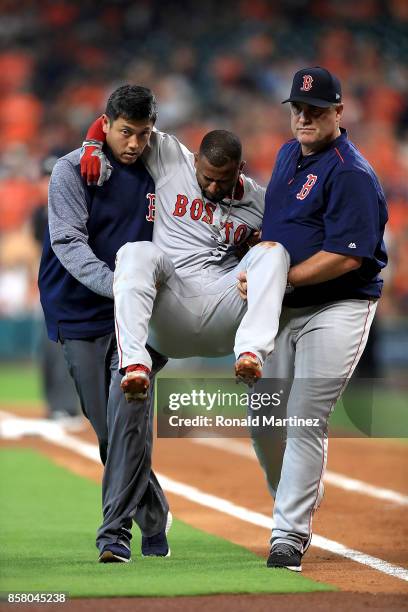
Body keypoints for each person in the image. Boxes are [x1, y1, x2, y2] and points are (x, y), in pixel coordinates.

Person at [238, 67, 388, 571]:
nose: (304, 116)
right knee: (263, 420)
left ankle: (288, 533)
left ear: (338, 112)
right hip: (284, 308)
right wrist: (255, 271)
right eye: (298, 108)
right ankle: (294, 496)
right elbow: (277, 229)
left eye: (316, 109)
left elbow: (348, 256)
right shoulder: (286, 154)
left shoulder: (349, 172)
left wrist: (282, 280)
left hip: (339, 306)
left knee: (304, 416)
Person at [38, 85, 171, 563]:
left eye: (144, 134)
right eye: (125, 132)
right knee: (109, 428)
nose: (135, 144)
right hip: (77, 309)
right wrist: (122, 286)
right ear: (107, 124)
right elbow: (68, 244)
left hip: (133, 319)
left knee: (129, 414)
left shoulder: (160, 166)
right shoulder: (72, 170)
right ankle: (155, 517)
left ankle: (114, 535)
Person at [80, 121, 290, 398]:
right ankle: (134, 364)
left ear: (240, 168)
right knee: (136, 251)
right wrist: (92, 145)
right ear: (195, 161)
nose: (213, 187)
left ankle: (252, 353)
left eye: (222, 180)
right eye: (206, 177)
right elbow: (122, 118)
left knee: (274, 251)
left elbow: (288, 250)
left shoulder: (261, 202)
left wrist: (255, 255)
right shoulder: (172, 159)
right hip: (170, 303)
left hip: (223, 309)